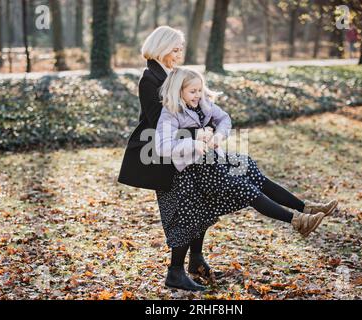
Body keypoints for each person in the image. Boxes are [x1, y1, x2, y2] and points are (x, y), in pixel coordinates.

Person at [118, 26, 338, 292]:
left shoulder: (176, 75)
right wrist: (202, 133)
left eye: (180, 49)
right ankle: (177, 271)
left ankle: (303, 209)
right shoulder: (150, 78)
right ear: (161, 47)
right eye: (174, 49)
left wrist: (211, 132)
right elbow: (159, 125)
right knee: (189, 211)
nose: (179, 54)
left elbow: (208, 112)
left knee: (236, 180)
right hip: (165, 158)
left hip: (196, 155)